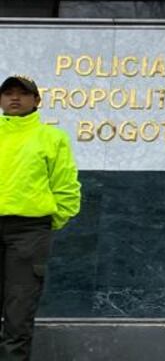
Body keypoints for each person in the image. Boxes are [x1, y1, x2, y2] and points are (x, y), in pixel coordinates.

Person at [0, 75, 80, 361]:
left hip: (29, 232)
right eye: (8, 93)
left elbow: (66, 187)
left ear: (36, 100)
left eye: (22, 93)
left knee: (18, 316)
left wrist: (47, 223)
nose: (14, 98)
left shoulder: (52, 137)